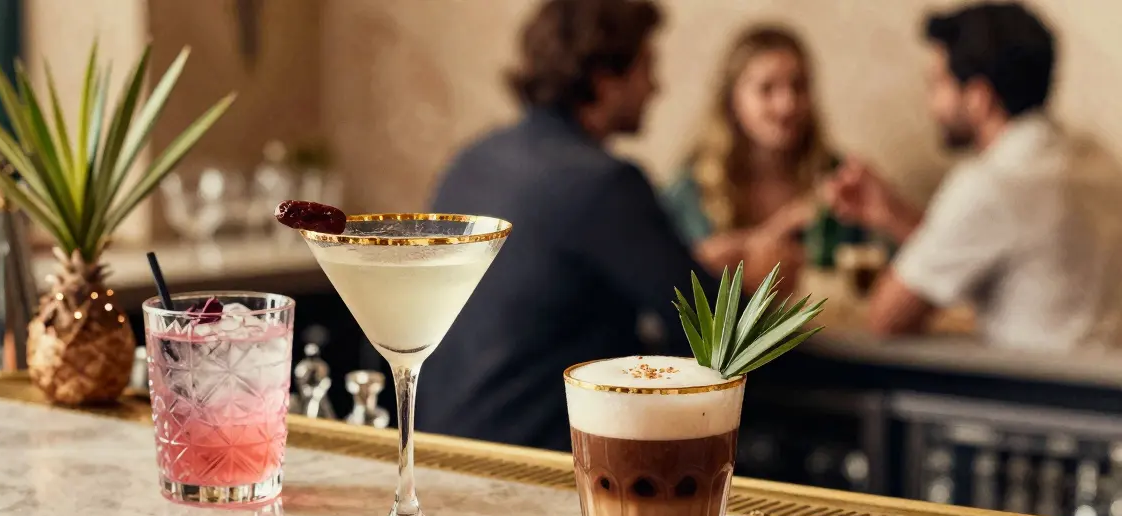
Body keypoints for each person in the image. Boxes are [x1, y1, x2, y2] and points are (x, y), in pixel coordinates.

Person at [418, 0, 799, 452]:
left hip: (434, 454)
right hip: (535, 467)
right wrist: (764, 279)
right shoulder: (605, 183)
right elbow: (722, 342)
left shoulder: (473, 160)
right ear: (604, 78)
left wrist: (692, 264)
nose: (657, 87)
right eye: (646, 67)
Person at [824, 2, 1122, 350]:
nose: (930, 102)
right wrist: (893, 214)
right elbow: (979, 240)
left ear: (979, 97)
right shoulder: (1096, 157)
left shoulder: (991, 183)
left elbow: (886, 318)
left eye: (937, 84)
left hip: (1031, 394)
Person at [663, 25, 863, 271]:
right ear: (732, 99)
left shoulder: (839, 179)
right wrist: (784, 225)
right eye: (766, 89)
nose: (787, 104)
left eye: (798, 86)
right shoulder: (690, 189)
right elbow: (671, 281)